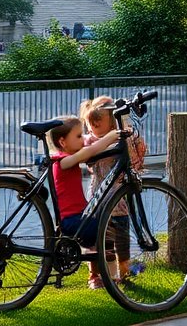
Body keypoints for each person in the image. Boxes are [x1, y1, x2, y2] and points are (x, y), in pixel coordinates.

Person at [46, 114, 124, 284]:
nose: (83, 139)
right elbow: (89, 151)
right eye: (78, 136)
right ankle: (103, 277)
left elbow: (91, 152)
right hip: (72, 221)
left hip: (78, 217)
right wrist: (110, 136)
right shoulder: (62, 162)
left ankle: (105, 276)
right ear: (62, 142)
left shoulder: (66, 159)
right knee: (105, 231)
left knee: (102, 231)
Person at [79, 96, 147, 288]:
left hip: (120, 200)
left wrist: (126, 126)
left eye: (97, 125)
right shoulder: (91, 141)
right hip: (99, 198)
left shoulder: (121, 137)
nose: (93, 130)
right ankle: (95, 275)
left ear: (111, 122)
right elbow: (89, 159)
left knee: (121, 239)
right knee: (99, 241)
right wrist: (101, 142)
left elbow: (137, 153)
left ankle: (123, 271)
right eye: (90, 125)